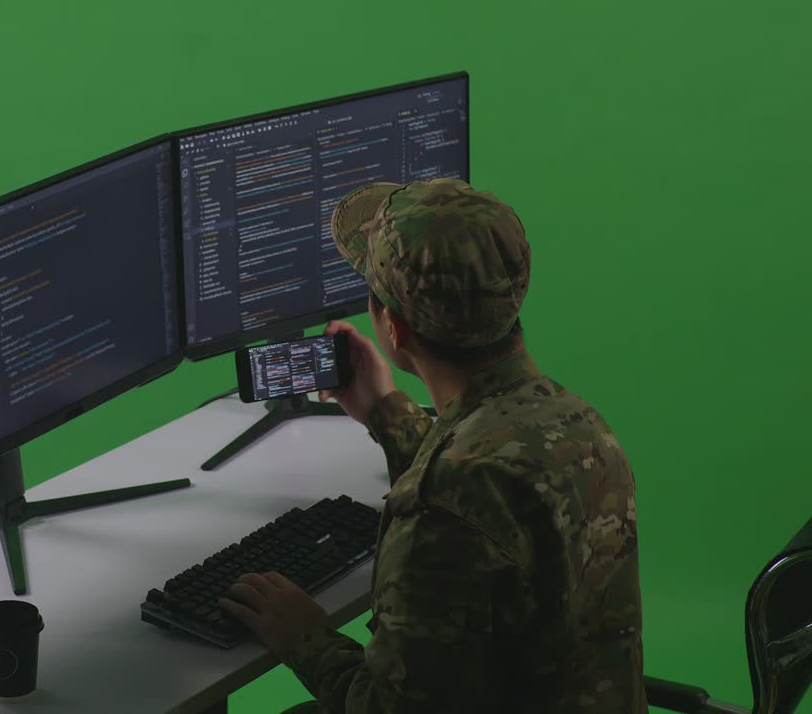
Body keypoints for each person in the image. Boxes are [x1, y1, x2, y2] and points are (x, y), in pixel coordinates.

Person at [217, 178, 647, 713]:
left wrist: (303, 634)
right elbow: (489, 492)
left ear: (392, 327)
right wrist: (383, 409)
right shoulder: (575, 422)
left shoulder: (442, 509)